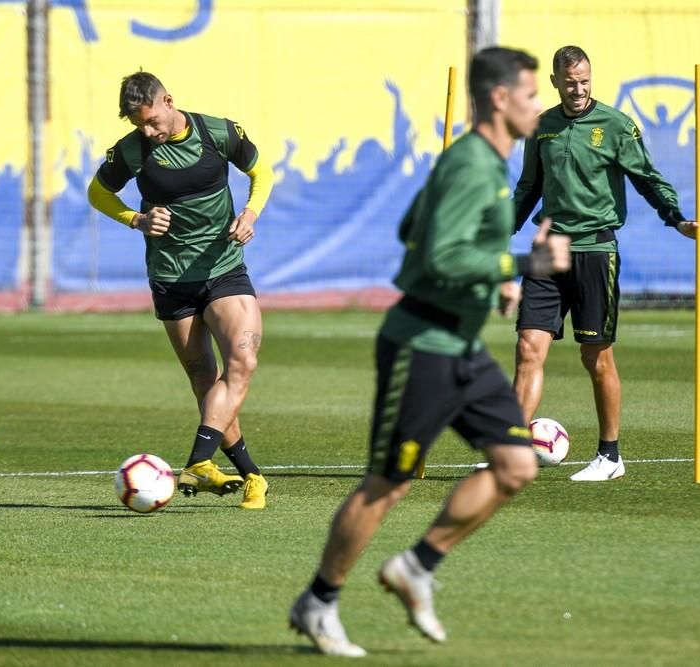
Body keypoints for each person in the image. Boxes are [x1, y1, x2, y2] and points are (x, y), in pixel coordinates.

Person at [288, 47, 571, 657]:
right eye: (529, 93)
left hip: (461, 347)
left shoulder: (483, 164)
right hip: (421, 345)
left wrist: (487, 279)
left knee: (516, 465)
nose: (537, 104)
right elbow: (439, 256)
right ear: (500, 98)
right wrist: (519, 263)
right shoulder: (472, 164)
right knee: (386, 486)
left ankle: (417, 566)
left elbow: (411, 229)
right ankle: (319, 601)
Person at [512, 45, 700, 482]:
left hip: (595, 251)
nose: (579, 89)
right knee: (528, 349)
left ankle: (610, 456)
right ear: (554, 82)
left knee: (595, 357)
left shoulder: (617, 125)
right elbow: (529, 187)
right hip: (548, 251)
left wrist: (677, 219)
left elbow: (647, 179)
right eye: (570, 82)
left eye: (585, 81)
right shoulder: (541, 127)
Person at [87, 71, 273, 509]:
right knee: (204, 381)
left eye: (151, 120)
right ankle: (252, 475)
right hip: (171, 278)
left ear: (168, 101)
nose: (147, 131)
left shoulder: (218, 132)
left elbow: (261, 170)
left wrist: (250, 212)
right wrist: (136, 219)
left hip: (223, 270)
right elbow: (98, 193)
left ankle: (196, 462)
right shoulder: (132, 151)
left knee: (243, 360)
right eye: (139, 125)